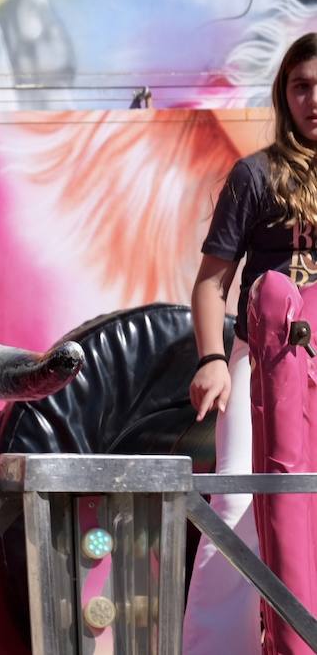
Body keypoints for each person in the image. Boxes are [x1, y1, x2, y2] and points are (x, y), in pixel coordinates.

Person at [183, 34, 317, 653]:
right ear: (283, 95)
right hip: (261, 365)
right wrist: (214, 360)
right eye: (300, 86)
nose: (312, 98)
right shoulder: (255, 175)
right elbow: (212, 284)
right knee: (237, 506)